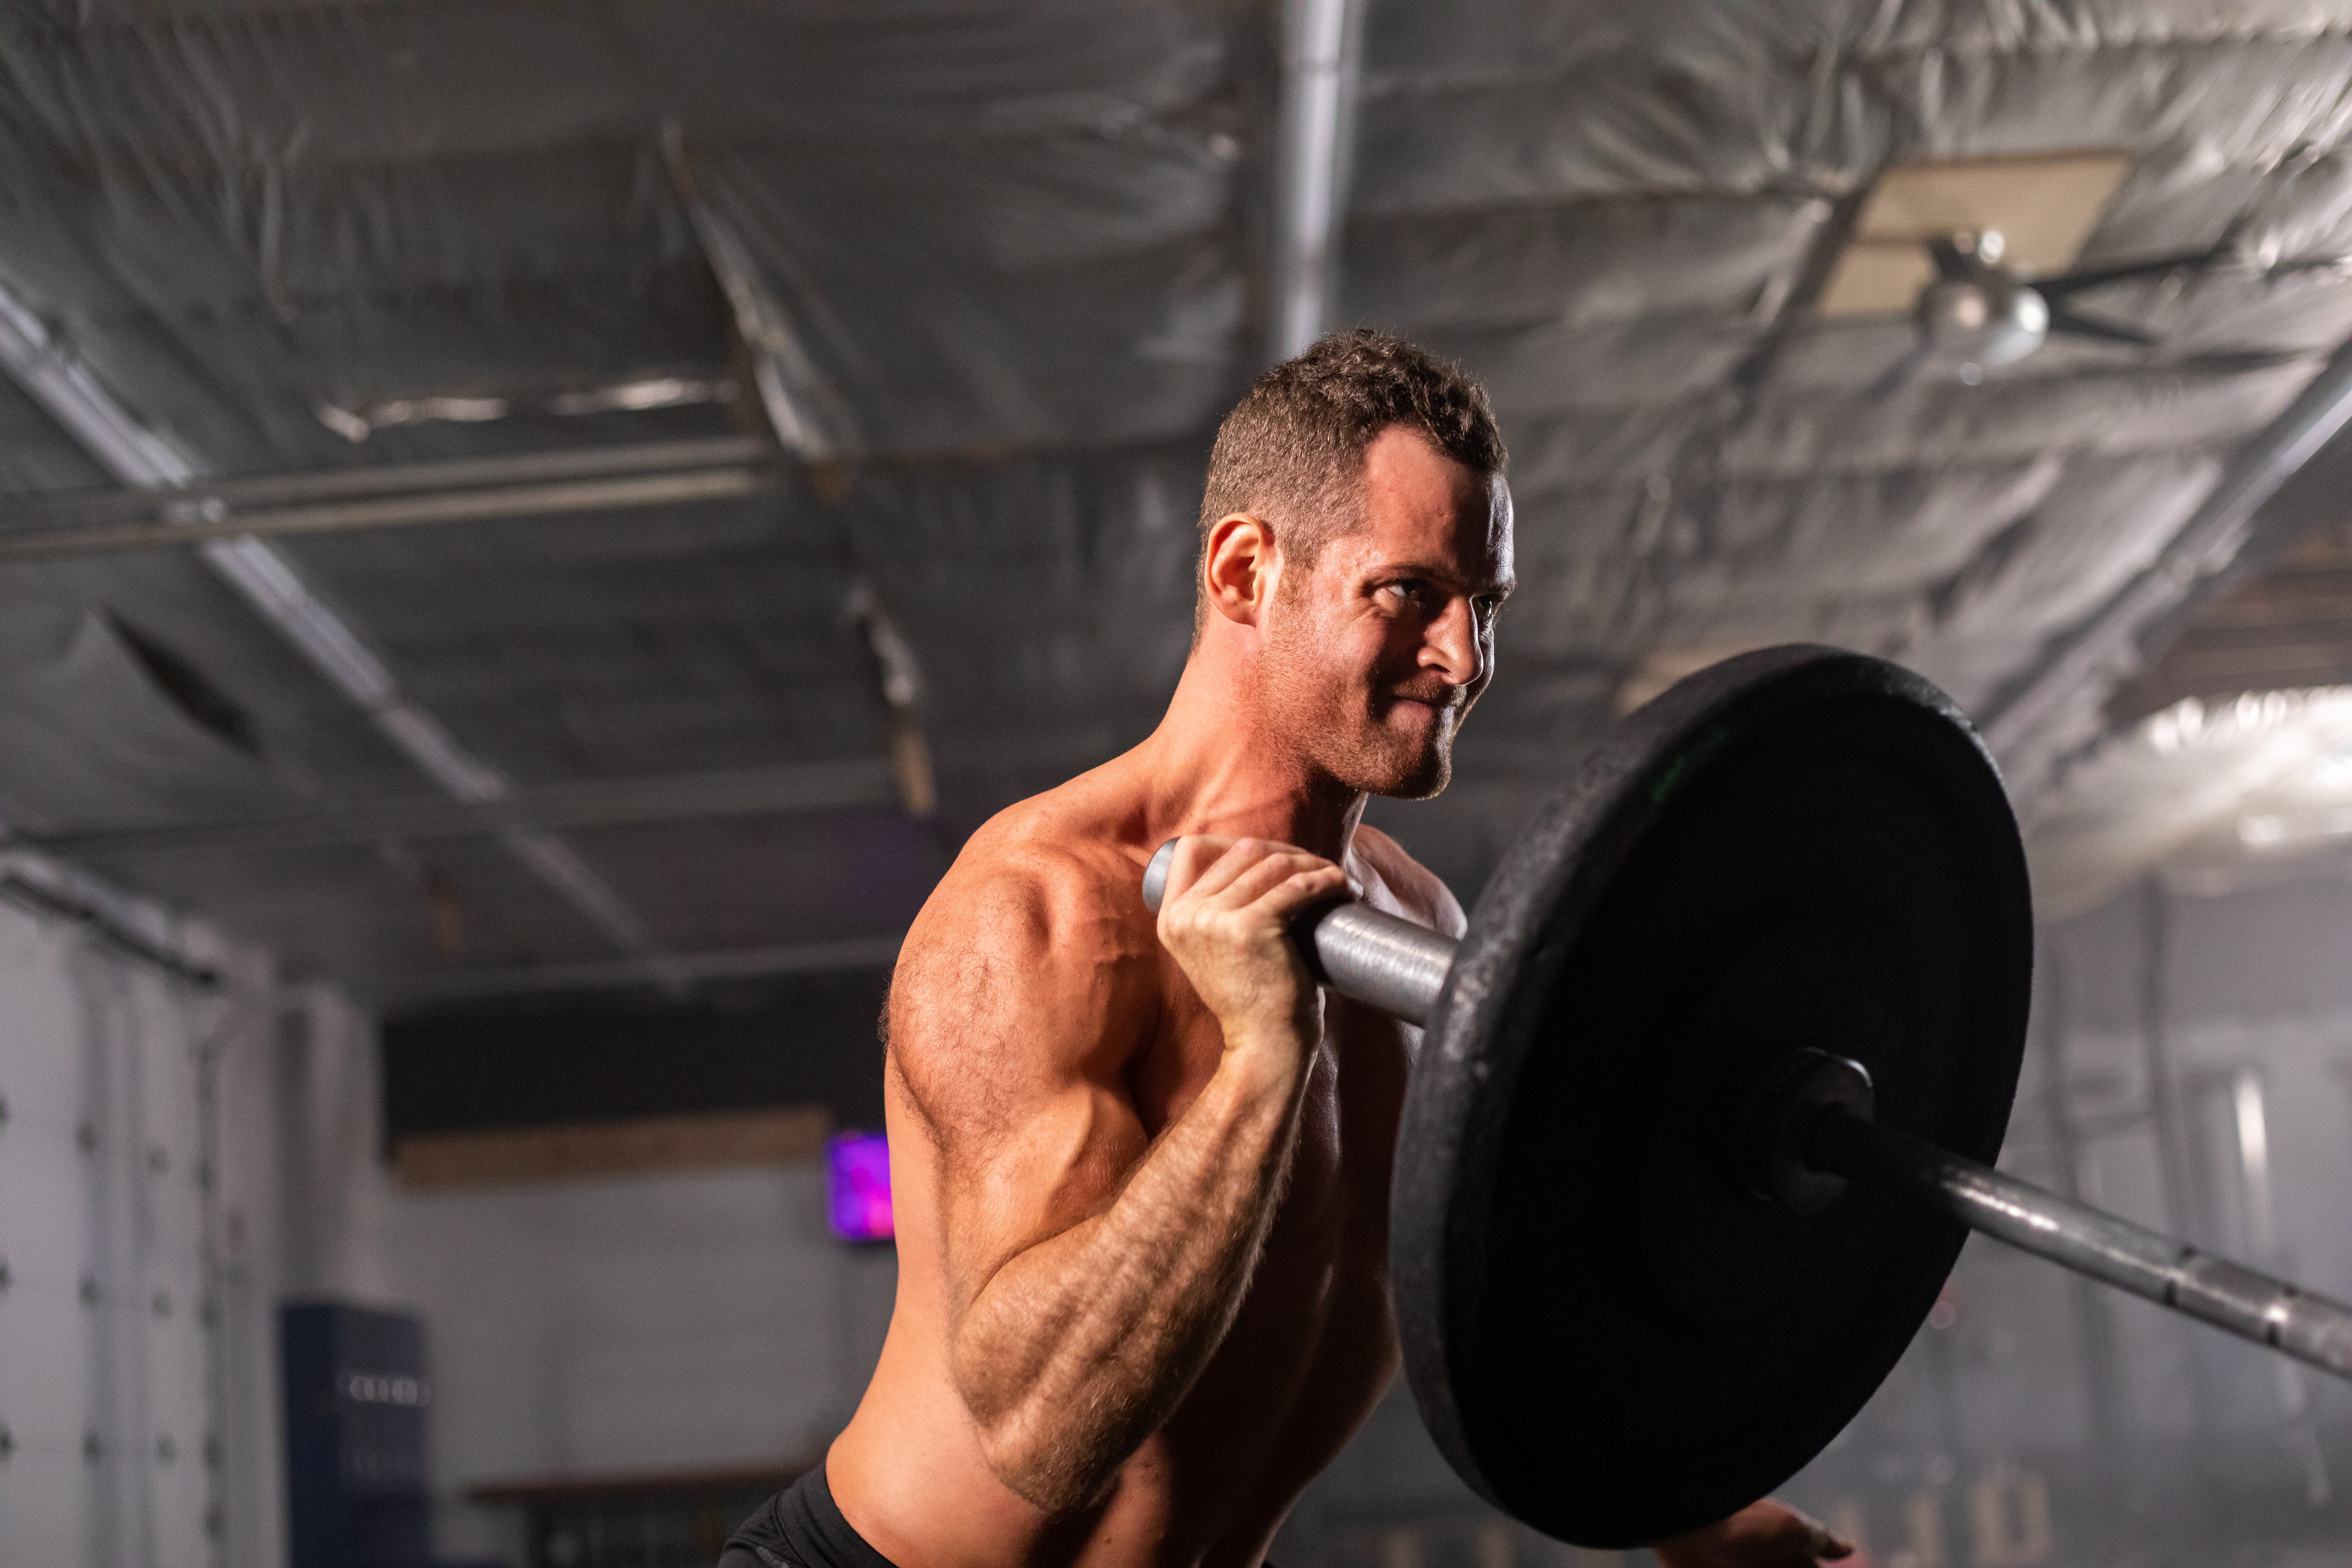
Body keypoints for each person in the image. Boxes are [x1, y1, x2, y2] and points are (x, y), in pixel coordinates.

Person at [722, 332, 1856, 1568]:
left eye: (1486, 604)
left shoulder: (1420, 933)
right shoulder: (1037, 917)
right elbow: (1039, 1433)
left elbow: (1500, 1288)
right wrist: (1263, 1061)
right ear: (1246, 569)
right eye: (1410, 592)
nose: (1464, 657)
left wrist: (1697, 1520)